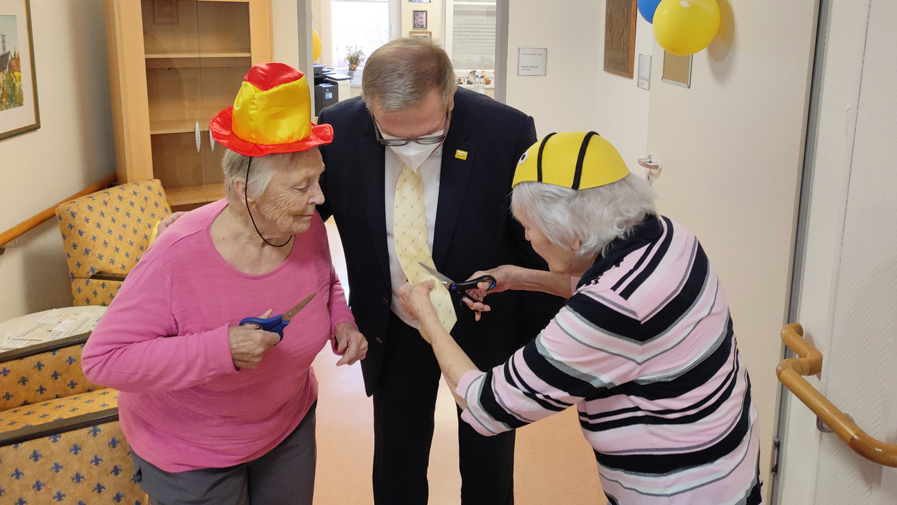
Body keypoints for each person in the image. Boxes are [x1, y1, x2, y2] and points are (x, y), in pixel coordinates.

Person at [399, 132, 764, 505]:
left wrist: (428, 316)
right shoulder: (671, 238)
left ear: (572, 235)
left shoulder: (607, 311)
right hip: (730, 466)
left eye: (529, 227)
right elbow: (611, 291)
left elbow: (487, 406)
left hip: (678, 491)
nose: (526, 238)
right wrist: (518, 276)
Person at [81, 63, 367, 505]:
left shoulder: (301, 224)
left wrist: (341, 321)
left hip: (288, 426)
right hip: (193, 452)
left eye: (319, 177)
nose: (320, 198)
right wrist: (221, 350)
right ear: (244, 190)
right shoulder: (177, 255)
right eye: (302, 185)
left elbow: (324, 282)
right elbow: (103, 361)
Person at [316, 37, 564, 504]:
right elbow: (302, 215)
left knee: (488, 463)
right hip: (394, 324)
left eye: (428, 135)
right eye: (393, 137)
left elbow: (534, 244)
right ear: (369, 106)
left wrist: (530, 340)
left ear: (450, 99)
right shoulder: (338, 130)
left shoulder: (505, 132)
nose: (411, 149)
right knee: (397, 462)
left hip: (480, 326)